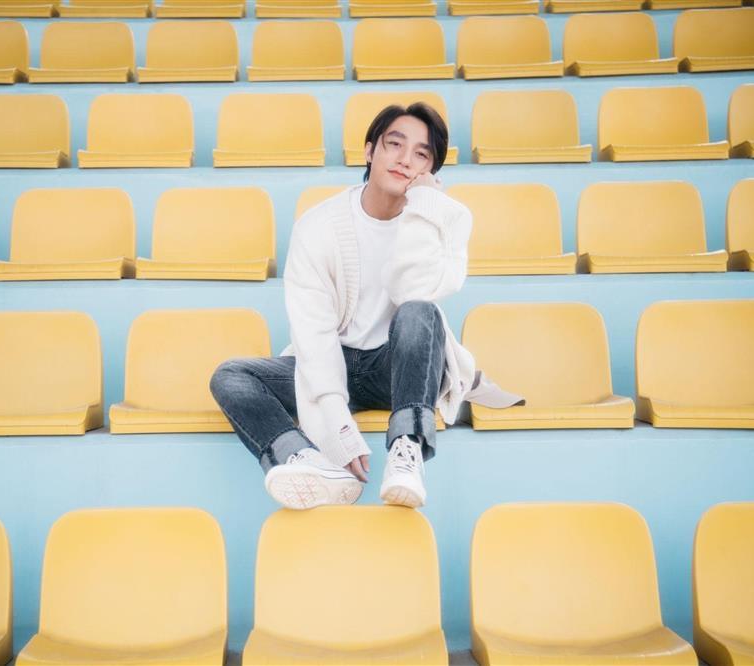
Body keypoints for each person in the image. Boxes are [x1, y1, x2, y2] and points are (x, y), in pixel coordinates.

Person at [210, 102, 522, 511]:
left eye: (421, 154)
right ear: (370, 151)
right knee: (231, 376)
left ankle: (407, 452)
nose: (405, 160)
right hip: (334, 361)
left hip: (399, 368)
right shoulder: (318, 227)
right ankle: (305, 461)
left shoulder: (447, 222)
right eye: (395, 145)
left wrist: (422, 209)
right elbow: (314, 334)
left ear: (431, 172)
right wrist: (338, 427)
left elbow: (413, 290)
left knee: (420, 311)